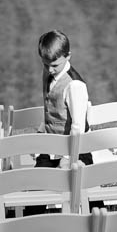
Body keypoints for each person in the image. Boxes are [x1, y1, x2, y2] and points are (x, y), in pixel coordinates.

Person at [35, 30, 94, 168]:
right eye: (45, 64)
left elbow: (77, 127)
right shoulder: (49, 73)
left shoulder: (74, 85)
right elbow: (50, 109)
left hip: (75, 149)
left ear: (68, 56)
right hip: (51, 146)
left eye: (55, 65)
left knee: (66, 179)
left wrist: (68, 157)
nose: (49, 70)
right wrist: (41, 132)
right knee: (36, 183)